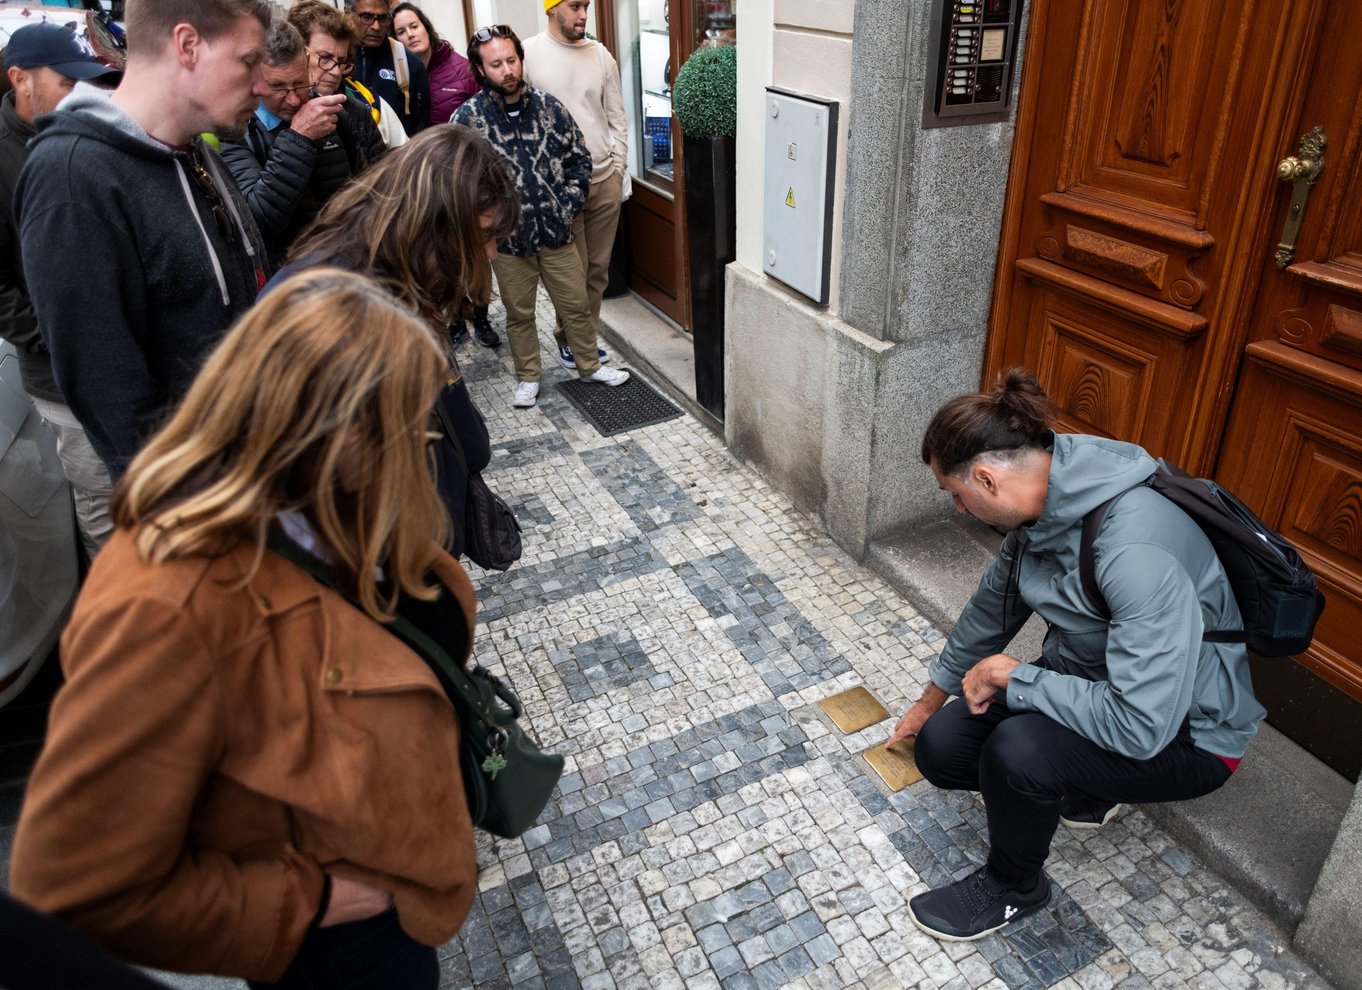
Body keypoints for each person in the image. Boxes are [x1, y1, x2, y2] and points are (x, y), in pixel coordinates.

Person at [10, 268, 482, 989]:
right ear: (328, 433)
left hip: (392, 893)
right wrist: (309, 901)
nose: (413, 452)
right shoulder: (164, 605)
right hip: (333, 948)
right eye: (401, 429)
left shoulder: (320, 505)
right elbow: (75, 882)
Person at [885, 369, 1266, 942]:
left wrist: (1016, 677)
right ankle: (1085, 785)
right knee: (942, 748)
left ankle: (1015, 887)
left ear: (987, 480)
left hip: (1188, 735)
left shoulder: (1133, 549)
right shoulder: (1042, 508)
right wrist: (926, 702)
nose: (959, 511)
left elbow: (1141, 727)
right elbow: (990, 613)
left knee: (1017, 755)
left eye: (955, 495)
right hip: (1089, 686)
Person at [15, 0, 273, 480]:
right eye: (249, 60)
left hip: (251, 473)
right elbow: (110, 393)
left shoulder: (193, 149)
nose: (260, 83)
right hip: (198, 510)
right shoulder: (71, 178)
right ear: (188, 45)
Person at [280, 125, 519, 547]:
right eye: (482, 235)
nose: (490, 253)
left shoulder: (400, 274)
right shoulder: (335, 302)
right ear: (435, 218)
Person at [454, 24, 628, 409]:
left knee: (576, 304)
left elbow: (578, 158)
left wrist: (567, 204)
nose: (507, 70)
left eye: (511, 60)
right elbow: (458, 183)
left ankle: (588, 364)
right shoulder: (467, 120)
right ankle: (528, 377)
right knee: (519, 314)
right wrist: (485, 227)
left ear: (520, 59)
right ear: (481, 70)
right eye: (496, 64)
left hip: (557, 232)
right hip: (510, 242)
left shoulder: (549, 108)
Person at [0, 23, 120, 556]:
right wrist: (56, 335)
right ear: (19, 79)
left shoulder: (88, 134)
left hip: (123, 362)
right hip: (61, 378)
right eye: (67, 81)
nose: (82, 92)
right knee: (103, 505)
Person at [524, 0, 626, 370]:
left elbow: (617, 116)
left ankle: (578, 339)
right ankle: (573, 338)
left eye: (586, 5)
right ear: (552, 8)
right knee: (572, 274)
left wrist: (619, 169)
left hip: (603, 179)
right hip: (559, 189)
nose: (584, 14)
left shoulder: (600, 56)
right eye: (575, 6)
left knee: (597, 272)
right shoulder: (529, 54)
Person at [220, 19, 353, 267]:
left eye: (300, 83)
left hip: (345, 261)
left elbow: (362, 182)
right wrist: (299, 138)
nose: (293, 100)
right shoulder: (234, 129)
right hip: (289, 276)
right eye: (278, 87)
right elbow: (258, 221)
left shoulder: (330, 111)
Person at [286, 0, 389, 159]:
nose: (335, 72)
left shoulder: (358, 111)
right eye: (325, 58)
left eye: (341, 61)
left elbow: (382, 173)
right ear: (296, 52)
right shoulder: (275, 113)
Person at [350, 0, 428, 136]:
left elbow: (421, 126)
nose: (376, 26)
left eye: (383, 18)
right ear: (347, 14)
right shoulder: (335, 60)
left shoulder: (407, 62)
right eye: (367, 17)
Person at [392, 2, 476, 125]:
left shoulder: (464, 70)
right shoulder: (396, 76)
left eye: (414, 26)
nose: (410, 34)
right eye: (401, 32)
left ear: (426, 28)